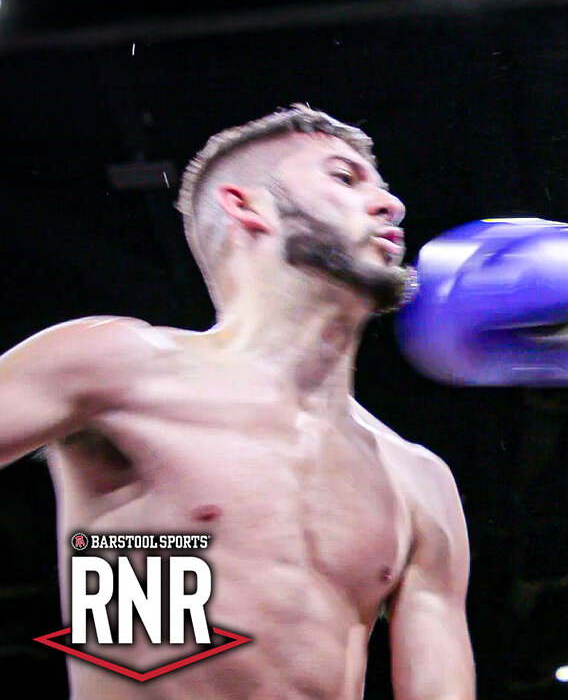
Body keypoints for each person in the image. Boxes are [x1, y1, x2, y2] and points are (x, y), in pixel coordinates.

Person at [0, 105, 474, 700]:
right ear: (246, 206)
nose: (390, 204)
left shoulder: (419, 481)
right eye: (344, 178)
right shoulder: (118, 368)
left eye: (382, 185)